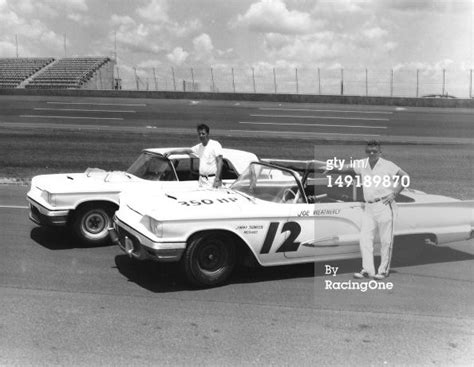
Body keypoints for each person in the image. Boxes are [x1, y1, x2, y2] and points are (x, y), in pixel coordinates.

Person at [332, 140, 410, 280]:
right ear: (366, 152)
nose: (372, 153)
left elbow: (405, 177)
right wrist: (329, 167)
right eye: (369, 151)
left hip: (385, 206)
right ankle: (368, 270)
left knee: (386, 241)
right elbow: (346, 168)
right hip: (369, 207)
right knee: (365, 239)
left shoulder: (388, 165)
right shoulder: (362, 164)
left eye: (374, 151)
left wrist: (394, 194)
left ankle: (383, 270)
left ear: (380, 152)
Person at [164, 123, 223, 188]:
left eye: (203, 133)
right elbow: (186, 151)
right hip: (201, 180)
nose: (201, 136)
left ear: (207, 134)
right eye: (199, 134)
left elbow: (219, 162)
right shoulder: (199, 147)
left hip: (212, 180)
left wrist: (217, 179)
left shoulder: (215, 145)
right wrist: (171, 152)